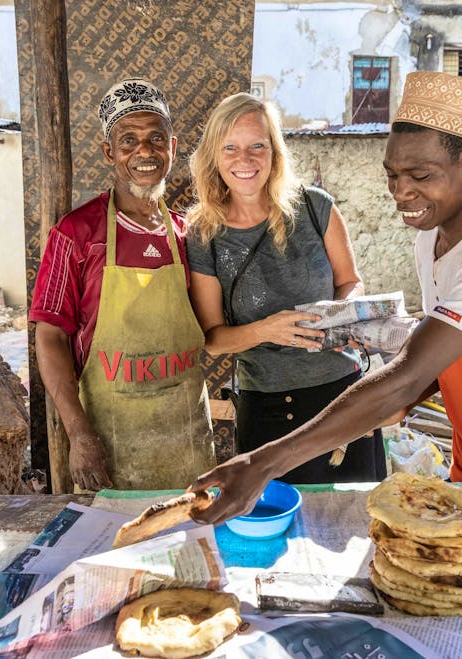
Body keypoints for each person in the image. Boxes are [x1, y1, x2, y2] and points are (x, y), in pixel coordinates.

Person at [189, 72, 462, 558]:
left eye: (421, 175)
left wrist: (261, 465)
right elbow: (447, 359)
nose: (401, 192)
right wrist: (404, 395)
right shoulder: (431, 240)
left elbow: (407, 376)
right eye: (393, 174)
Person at [185, 92, 386, 484]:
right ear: (213, 156)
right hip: (267, 411)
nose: (245, 160)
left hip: (342, 399)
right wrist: (267, 330)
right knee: (277, 533)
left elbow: (351, 281)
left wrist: (344, 315)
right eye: (231, 148)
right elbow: (213, 339)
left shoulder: (315, 208)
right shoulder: (204, 234)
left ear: (274, 151)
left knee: (352, 526)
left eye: (257, 145)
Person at [29, 78, 215, 491]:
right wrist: (78, 433)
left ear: (172, 145)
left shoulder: (189, 234)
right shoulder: (75, 234)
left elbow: (212, 329)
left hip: (187, 443)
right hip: (111, 446)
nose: (144, 151)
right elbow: (50, 338)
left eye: (155, 138)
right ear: (108, 152)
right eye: (128, 140)